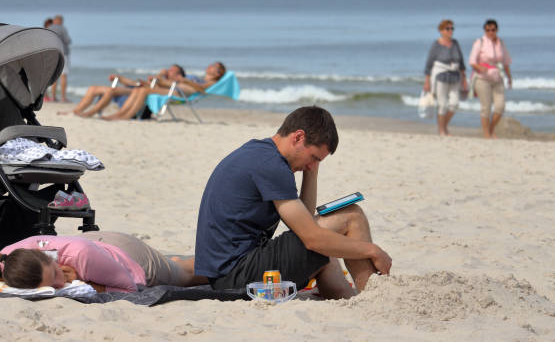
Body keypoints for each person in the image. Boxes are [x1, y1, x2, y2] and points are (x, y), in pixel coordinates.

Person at [194, 106, 392, 299]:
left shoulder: (260, 152)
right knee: (352, 216)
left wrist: (311, 172)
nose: (313, 165)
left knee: (328, 247)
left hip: (227, 271)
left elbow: (304, 218)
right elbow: (311, 238)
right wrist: (373, 250)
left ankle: (349, 298)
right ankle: (374, 298)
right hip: (238, 275)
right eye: (314, 158)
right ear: (298, 137)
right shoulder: (271, 165)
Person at [0, 231, 206, 293]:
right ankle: (172, 261)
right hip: (96, 247)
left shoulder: (81, 257)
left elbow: (131, 288)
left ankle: (235, 265)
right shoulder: (8, 260)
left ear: (49, 259)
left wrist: (94, 286)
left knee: (187, 275)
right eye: (52, 286)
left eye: (56, 275)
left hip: (125, 255)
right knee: (173, 263)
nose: (60, 284)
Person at [102, 62, 227, 120]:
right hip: (177, 88)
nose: (209, 66)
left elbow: (202, 90)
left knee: (144, 90)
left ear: (218, 73)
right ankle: (122, 114)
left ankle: (125, 115)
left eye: (213, 66)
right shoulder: (200, 78)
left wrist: (185, 81)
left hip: (182, 93)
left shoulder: (212, 82)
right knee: (143, 89)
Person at [69, 64, 185, 118]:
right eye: (169, 69)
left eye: (172, 70)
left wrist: (159, 76)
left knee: (111, 91)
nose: (168, 71)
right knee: (93, 88)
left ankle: (91, 112)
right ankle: (76, 110)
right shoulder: (160, 80)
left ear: (178, 74)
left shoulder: (172, 86)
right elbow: (136, 84)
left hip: (138, 92)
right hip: (135, 88)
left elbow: (148, 88)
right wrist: (120, 78)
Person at [469, 19, 513, 138]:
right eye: (488, 30)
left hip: (497, 78)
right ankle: (487, 133)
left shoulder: (501, 43)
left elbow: (506, 62)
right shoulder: (480, 42)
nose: (490, 32)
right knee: (486, 107)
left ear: (497, 30)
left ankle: (491, 129)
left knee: (500, 106)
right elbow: (472, 61)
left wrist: (509, 78)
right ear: (485, 30)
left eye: (493, 30)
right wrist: (480, 67)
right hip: (482, 78)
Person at [423, 19, 468, 136]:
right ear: (441, 31)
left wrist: (464, 79)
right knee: (442, 104)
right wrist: (427, 81)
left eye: (452, 28)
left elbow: (462, 62)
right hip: (441, 76)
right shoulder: (436, 45)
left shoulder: (455, 43)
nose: (450, 31)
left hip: (455, 76)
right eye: (447, 29)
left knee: (454, 103)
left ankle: (443, 125)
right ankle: (442, 131)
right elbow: (429, 64)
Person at [49, 15, 72, 102]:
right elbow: (67, 41)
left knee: (55, 75)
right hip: (63, 53)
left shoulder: (49, 28)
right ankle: (63, 98)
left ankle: (53, 97)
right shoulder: (62, 28)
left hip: (53, 53)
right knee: (64, 76)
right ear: (60, 21)